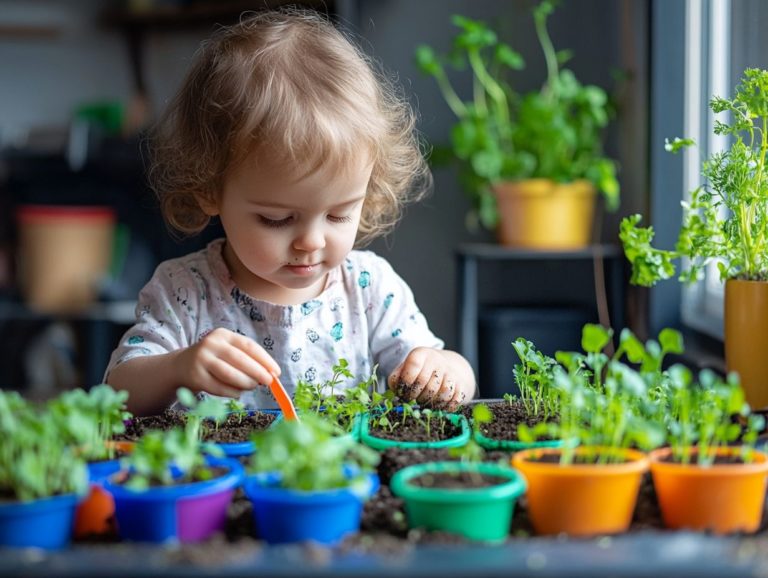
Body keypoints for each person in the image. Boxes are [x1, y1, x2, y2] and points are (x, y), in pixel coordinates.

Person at [105, 9, 476, 416]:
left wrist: (446, 370)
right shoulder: (185, 291)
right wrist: (179, 366)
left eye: (338, 215)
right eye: (277, 219)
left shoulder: (369, 290)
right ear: (210, 189)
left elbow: (450, 373)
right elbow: (118, 389)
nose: (311, 242)